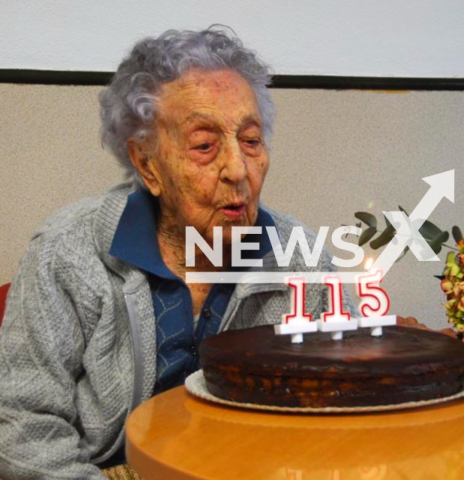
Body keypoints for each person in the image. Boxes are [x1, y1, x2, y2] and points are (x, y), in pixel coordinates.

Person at [0, 27, 355, 479]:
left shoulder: (304, 263)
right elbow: (23, 434)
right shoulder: (67, 253)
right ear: (148, 164)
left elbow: (348, 411)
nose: (238, 170)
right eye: (205, 146)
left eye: (250, 140)